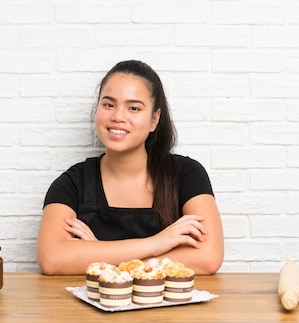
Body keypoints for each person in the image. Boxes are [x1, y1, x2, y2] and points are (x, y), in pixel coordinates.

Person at [37, 60, 224, 275]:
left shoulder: (186, 174)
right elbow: (51, 260)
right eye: (108, 104)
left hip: (171, 308)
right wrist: (156, 243)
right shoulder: (72, 183)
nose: (118, 117)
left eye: (134, 108)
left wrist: (99, 256)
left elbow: (208, 258)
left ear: (154, 120)